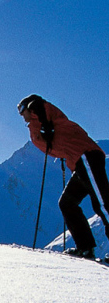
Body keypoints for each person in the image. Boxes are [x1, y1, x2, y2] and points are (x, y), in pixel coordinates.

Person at [17, 94, 109, 258]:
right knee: (66, 203)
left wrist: (43, 123)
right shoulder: (47, 121)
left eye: (22, 110)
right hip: (78, 162)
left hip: (86, 158)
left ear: (29, 108)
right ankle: (85, 247)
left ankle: (86, 248)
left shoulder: (41, 114)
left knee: (103, 204)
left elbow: (38, 108)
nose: (22, 115)